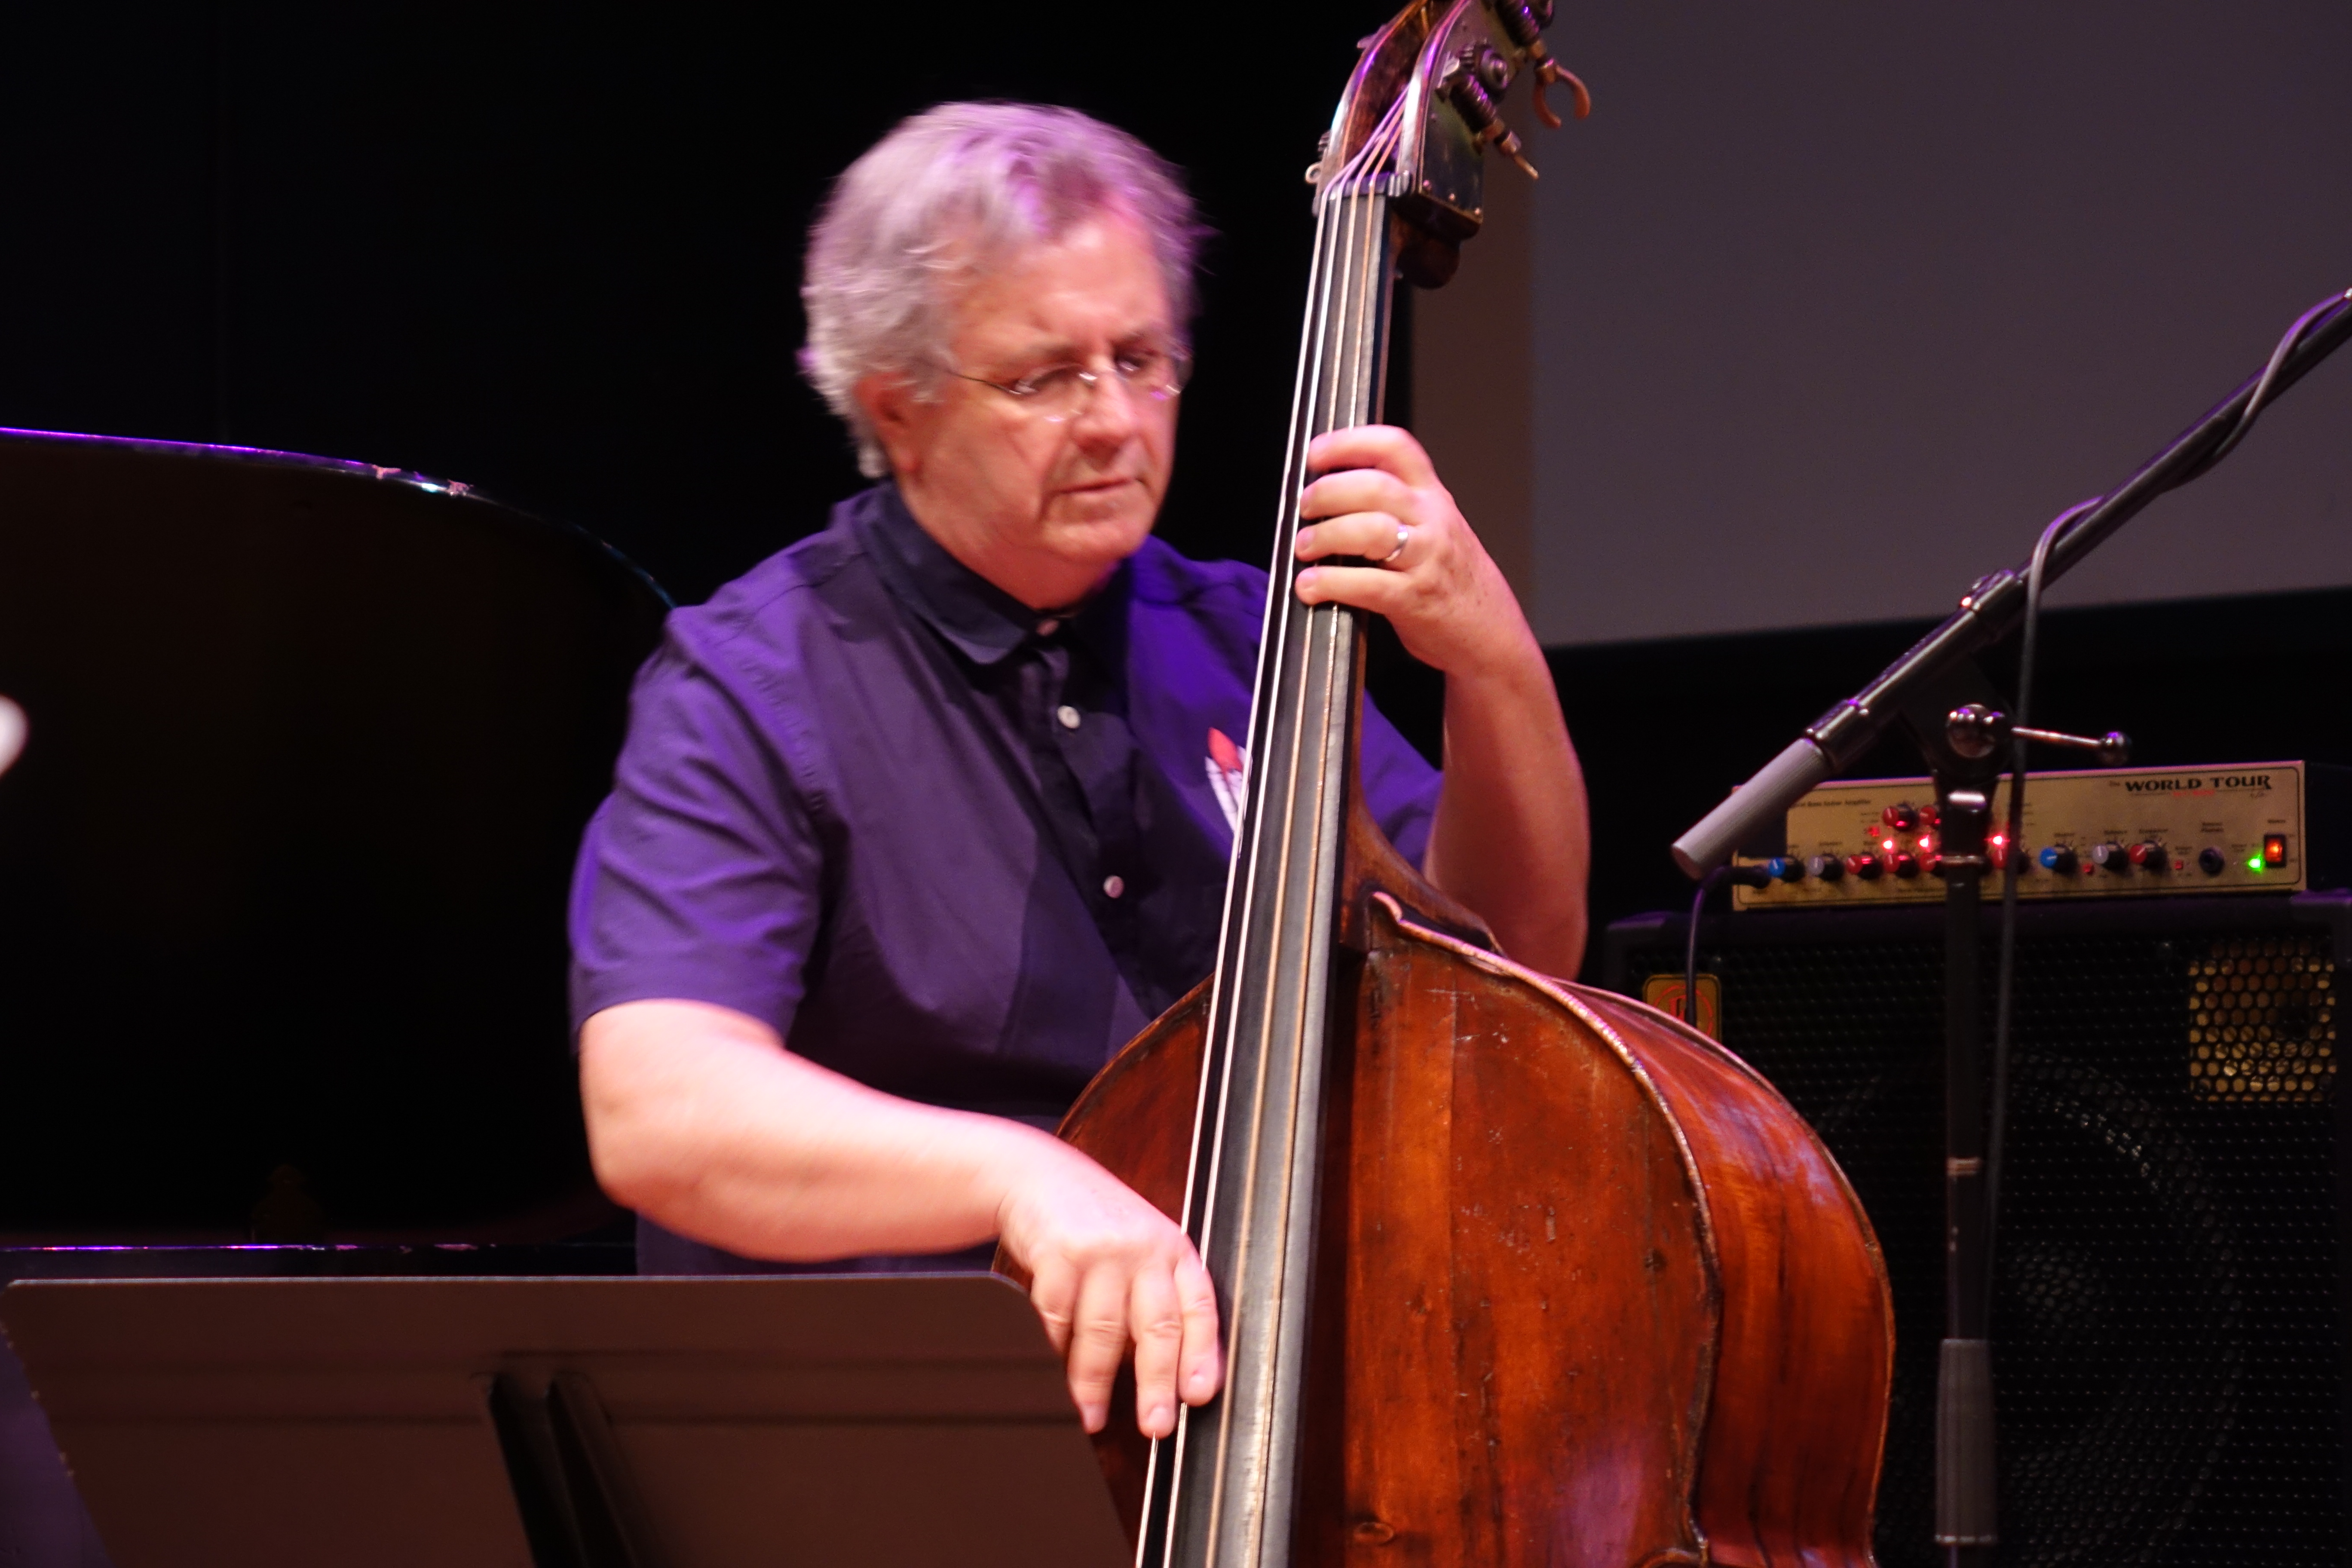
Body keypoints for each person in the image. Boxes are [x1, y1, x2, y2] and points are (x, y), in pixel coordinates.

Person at [569, 103, 1589, 1445]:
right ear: (900, 408)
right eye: (1046, 376)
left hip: (1245, 1420)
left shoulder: (1248, 639)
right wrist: (1018, 1177)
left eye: (1143, 358)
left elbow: (1513, 964)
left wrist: (1493, 663)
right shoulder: (754, 683)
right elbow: (661, 1110)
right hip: (885, 1447)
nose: (1114, 421)